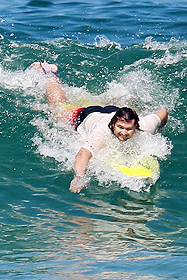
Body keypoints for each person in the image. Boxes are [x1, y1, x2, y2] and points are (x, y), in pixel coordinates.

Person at [30, 62, 168, 193]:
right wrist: (78, 178)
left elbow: (163, 113)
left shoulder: (143, 126)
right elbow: (83, 154)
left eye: (128, 129)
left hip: (115, 110)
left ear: (135, 126)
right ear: (113, 124)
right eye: (120, 127)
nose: (123, 133)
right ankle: (49, 74)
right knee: (58, 106)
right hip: (86, 115)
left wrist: (159, 129)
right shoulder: (101, 133)